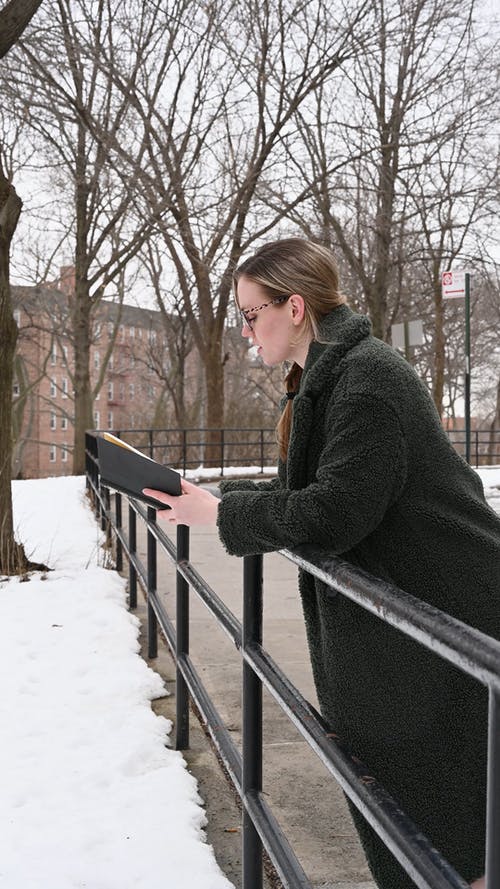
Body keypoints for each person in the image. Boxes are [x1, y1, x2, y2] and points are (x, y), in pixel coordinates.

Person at [144, 238, 500, 889]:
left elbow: (335, 514)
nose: (246, 330)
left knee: (452, 841)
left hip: (456, 631)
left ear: (297, 306)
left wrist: (220, 515)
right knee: (424, 832)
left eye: (253, 314)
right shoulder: (324, 380)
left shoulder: (368, 382)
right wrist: (215, 500)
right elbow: (305, 497)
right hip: (408, 645)